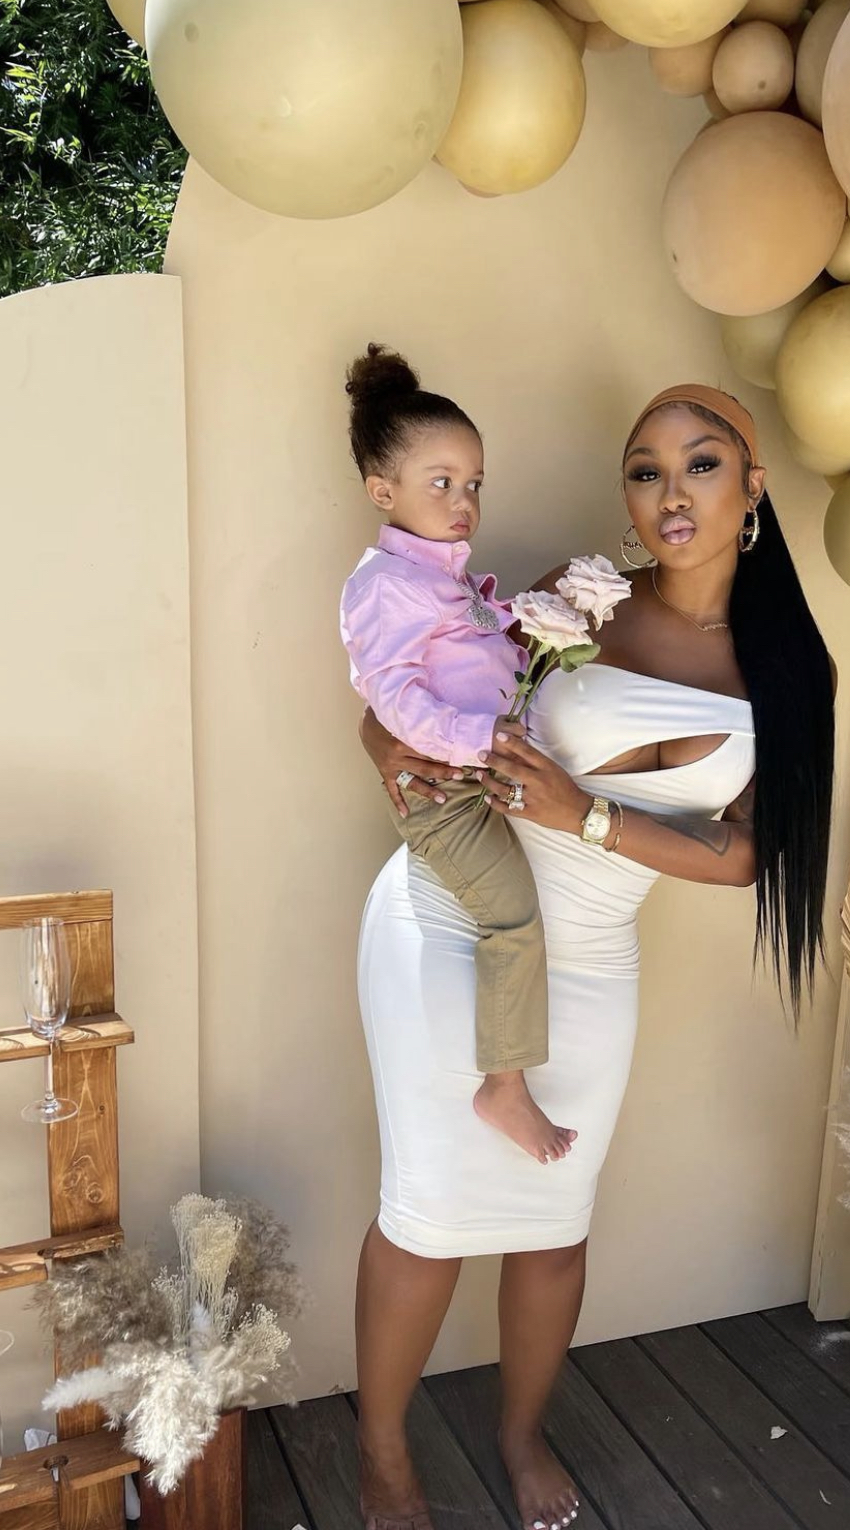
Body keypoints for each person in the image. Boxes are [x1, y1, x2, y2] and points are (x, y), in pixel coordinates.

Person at [353, 382, 835, 1530]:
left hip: (594, 956)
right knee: (427, 1211)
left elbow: (748, 858)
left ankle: (522, 1436)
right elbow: (422, 687)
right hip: (451, 919)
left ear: (753, 488)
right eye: (645, 469)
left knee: (555, 1221)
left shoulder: (790, 669)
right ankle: (382, 1449)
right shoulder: (576, 604)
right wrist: (378, 742)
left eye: (702, 463)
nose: (672, 492)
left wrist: (590, 819)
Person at [340, 344, 576, 1167]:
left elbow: (477, 662)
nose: (464, 501)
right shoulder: (385, 584)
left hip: (483, 773)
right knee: (512, 915)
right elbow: (395, 699)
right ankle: (503, 1085)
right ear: (384, 491)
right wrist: (484, 740)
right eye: (441, 482)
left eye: (473, 483)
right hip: (445, 795)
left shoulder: (445, 578)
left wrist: (528, 633)